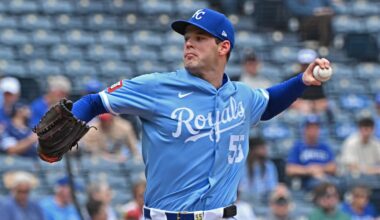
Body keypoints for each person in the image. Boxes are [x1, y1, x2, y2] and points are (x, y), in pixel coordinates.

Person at [42, 8, 332, 219]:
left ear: (224, 47)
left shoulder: (242, 95)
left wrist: (302, 82)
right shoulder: (158, 86)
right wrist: (58, 139)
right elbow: (96, 101)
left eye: (199, 37)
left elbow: (268, 103)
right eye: (186, 38)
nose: (189, 43)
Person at [286, 115, 337, 191]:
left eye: (315, 128)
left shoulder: (325, 147)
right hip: (308, 181)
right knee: (321, 185)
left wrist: (320, 169)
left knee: (340, 184)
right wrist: (309, 170)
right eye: (310, 128)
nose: (313, 131)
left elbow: (333, 167)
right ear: (305, 130)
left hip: (326, 178)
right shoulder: (298, 147)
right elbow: (290, 169)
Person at [239, 136, 278, 202]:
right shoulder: (241, 166)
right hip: (244, 201)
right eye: (262, 148)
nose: (265, 150)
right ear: (253, 149)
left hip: (264, 200)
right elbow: (240, 188)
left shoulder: (269, 165)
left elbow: (272, 187)